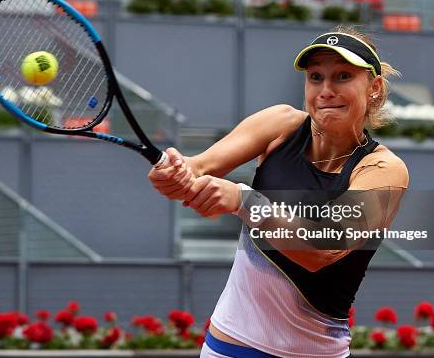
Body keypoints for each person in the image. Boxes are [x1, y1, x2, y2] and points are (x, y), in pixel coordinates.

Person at [148, 25, 409, 358]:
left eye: (343, 76)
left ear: (374, 88)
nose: (326, 90)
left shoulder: (383, 170)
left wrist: (242, 200)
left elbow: (323, 249)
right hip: (229, 346)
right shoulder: (280, 124)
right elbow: (196, 167)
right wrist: (173, 172)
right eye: (316, 77)